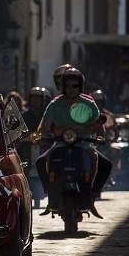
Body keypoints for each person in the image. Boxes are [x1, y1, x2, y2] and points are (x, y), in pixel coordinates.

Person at [35, 68, 109, 219]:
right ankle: (51, 192)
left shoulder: (89, 104)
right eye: (68, 85)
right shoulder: (54, 105)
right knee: (42, 161)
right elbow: (42, 127)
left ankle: (91, 193)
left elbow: (100, 128)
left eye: (75, 86)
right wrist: (41, 135)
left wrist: (100, 137)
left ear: (80, 86)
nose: (71, 89)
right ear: (63, 86)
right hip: (61, 143)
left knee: (99, 160)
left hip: (83, 143)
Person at [19, 87, 52, 209]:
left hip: (44, 146)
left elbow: (51, 129)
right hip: (27, 146)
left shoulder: (47, 115)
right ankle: (23, 189)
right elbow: (18, 132)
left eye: (38, 98)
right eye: (33, 98)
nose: (35, 101)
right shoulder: (24, 116)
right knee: (20, 164)